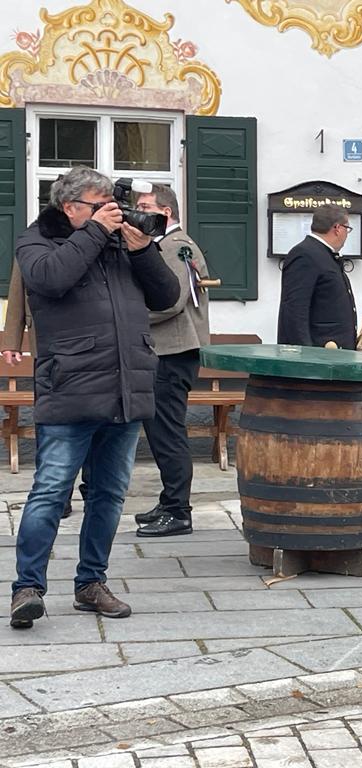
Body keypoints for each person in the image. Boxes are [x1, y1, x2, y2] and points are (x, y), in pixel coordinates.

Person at [9, 167, 179, 629]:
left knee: (108, 495)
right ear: (70, 207)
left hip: (125, 390)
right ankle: (27, 588)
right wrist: (96, 232)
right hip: (70, 388)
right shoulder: (37, 241)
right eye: (99, 206)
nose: (112, 213)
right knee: (50, 492)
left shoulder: (120, 242)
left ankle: (91, 583)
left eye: (113, 205)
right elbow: (51, 279)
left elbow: (166, 296)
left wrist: (142, 251)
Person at [130, 185, 210, 537]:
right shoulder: (163, 245)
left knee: (167, 433)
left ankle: (178, 511)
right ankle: (170, 501)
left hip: (172, 352)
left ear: (166, 212)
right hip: (166, 351)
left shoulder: (176, 246)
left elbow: (171, 302)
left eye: (145, 206)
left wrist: (127, 317)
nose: (138, 212)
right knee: (161, 431)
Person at [2, 262, 79, 519]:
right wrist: (11, 341)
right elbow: (18, 290)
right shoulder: (31, 243)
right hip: (45, 347)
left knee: (96, 424)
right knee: (50, 425)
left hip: (92, 347)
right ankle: (57, 496)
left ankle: (92, 490)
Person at [277, 204, 357, 349]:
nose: (347, 234)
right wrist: (307, 355)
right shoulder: (304, 254)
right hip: (319, 354)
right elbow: (295, 311)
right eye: (347, 229)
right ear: (337, 228)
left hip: (335, 354)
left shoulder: (325, 254)